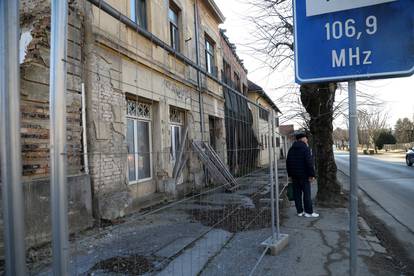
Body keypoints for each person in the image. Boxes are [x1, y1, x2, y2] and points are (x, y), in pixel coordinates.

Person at [286, 132, 319, 218]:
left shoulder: (291, 149)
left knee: (297, 194)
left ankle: (300, 212)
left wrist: (290, 175)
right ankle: (308, 212)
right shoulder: (305, 148)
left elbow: (288, 162)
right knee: (307, 194)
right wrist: (312, 175)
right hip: (304, 176)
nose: (307, 140)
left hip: (294, 176)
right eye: (306, 138)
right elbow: (309, 163)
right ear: (302, 139)